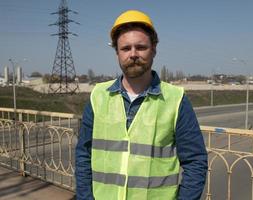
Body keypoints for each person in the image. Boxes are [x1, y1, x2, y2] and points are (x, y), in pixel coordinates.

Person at [75, 10, 207, 200]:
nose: (133, 54)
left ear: (153, 49)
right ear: (117, 53)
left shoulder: (175, 99)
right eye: (126, 48)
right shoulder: (98, 96)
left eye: (141, 47)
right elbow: (83, 155)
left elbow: (195, 161)